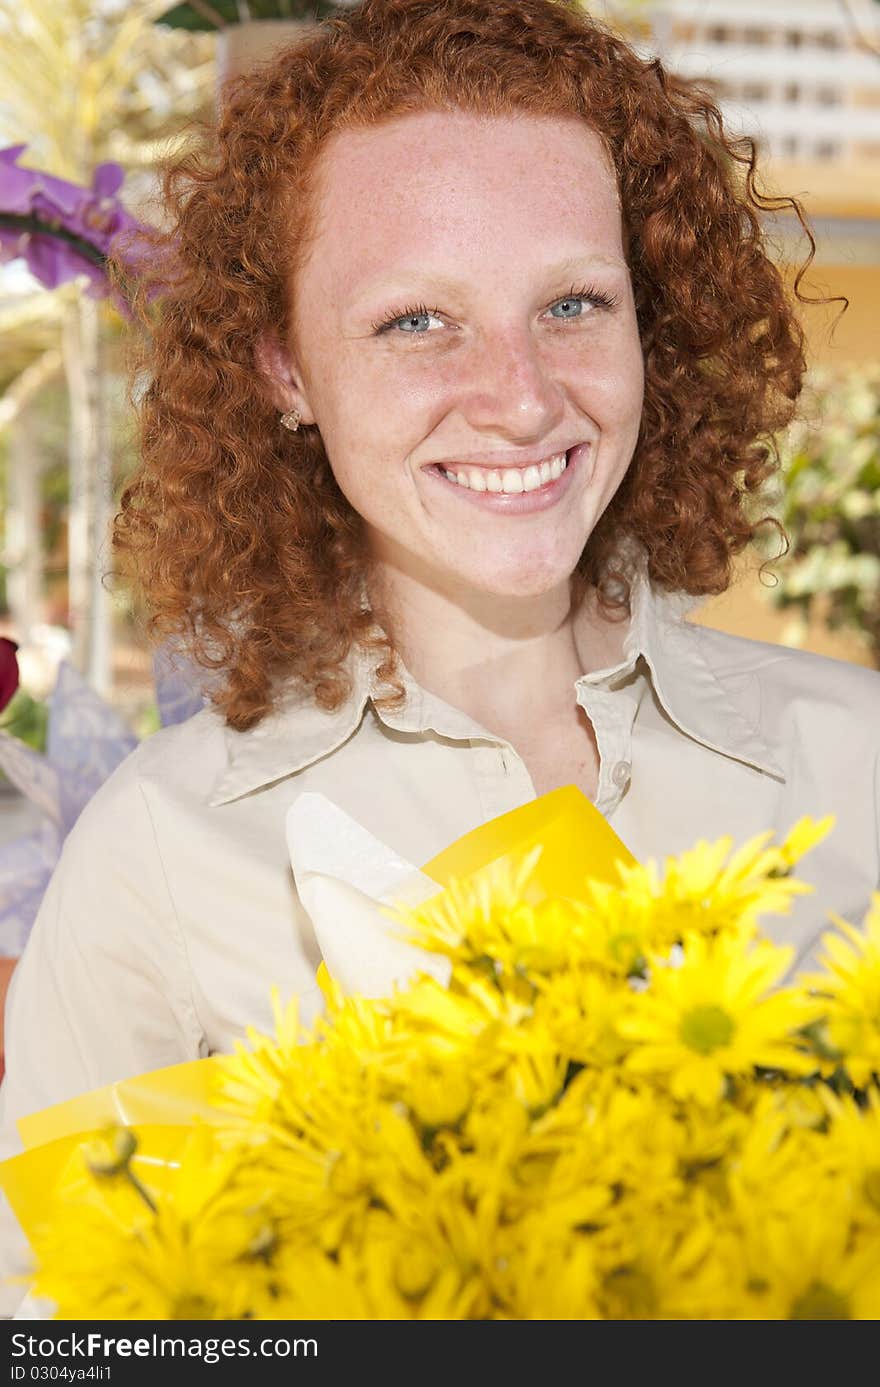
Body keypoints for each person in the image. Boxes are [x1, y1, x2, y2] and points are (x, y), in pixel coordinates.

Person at [1, 0, 878, 1315]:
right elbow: (69, 1324)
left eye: (574, 301)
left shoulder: (857, 760)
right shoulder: (162, 859)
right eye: (419, 322)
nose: (521, 397)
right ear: (286, 366)